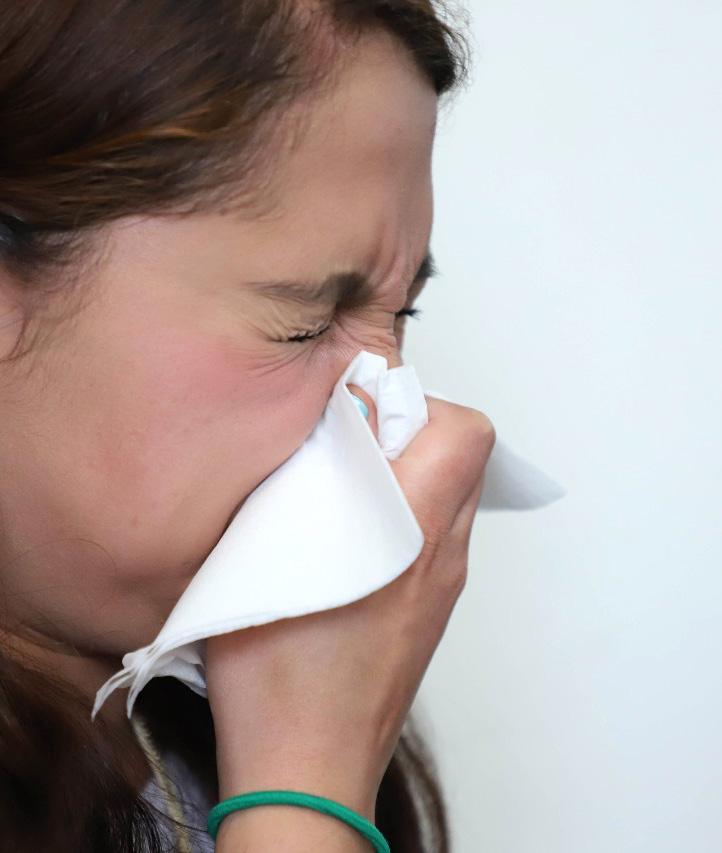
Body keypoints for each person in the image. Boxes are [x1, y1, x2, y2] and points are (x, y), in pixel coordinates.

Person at [0, 2, 495, 851]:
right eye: (306, 324)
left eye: (402, 314)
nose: (394, 425)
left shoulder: (187, 727)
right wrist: (307, 786)